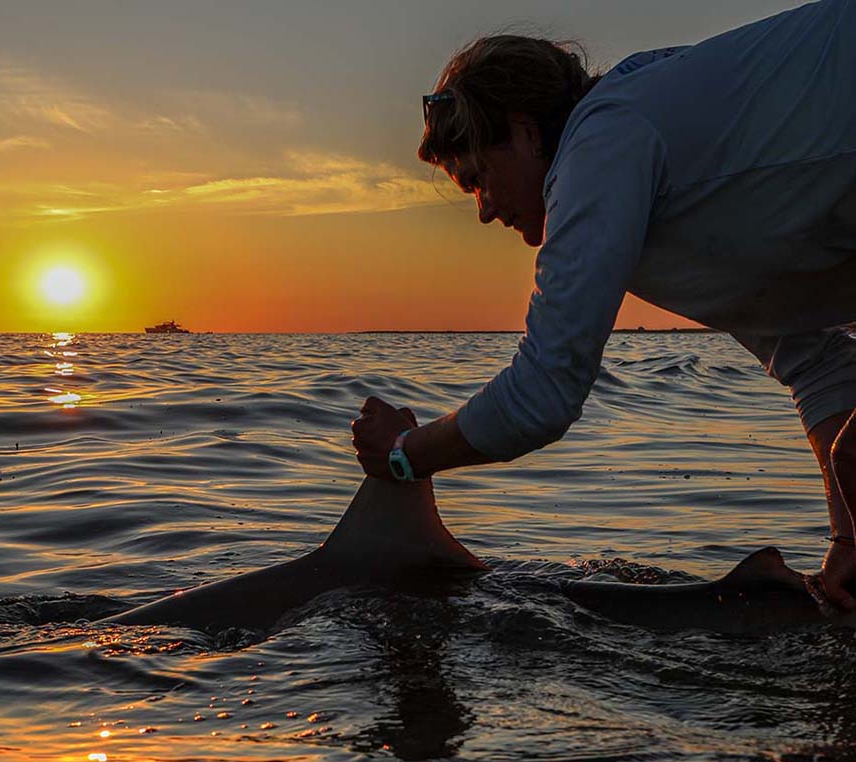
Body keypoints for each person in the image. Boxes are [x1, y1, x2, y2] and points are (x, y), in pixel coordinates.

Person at [351, 0, 856, 610]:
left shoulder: (605, 137)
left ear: (526, 131)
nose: (483, 209)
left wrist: (406, 456)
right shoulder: (650, 197)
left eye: (478, 177)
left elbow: (543, 394)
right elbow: (819, 366)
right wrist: (848, 538)